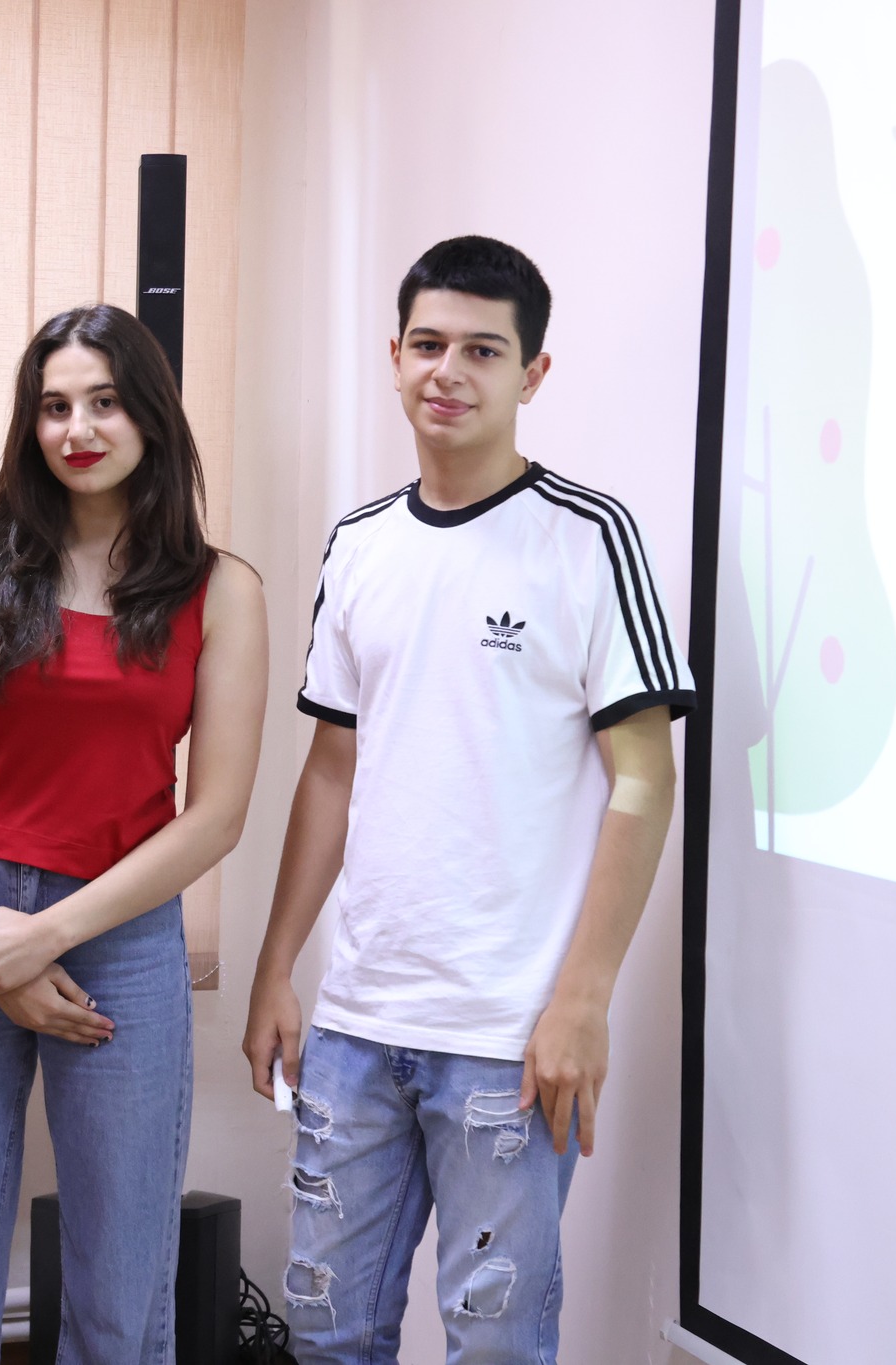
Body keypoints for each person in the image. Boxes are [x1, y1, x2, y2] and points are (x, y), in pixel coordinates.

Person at [242, 236, 695, 1362]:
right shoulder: (359, 544)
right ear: (394, 356)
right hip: (356, 1025)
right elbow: (332, 770)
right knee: (325, 1339)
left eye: (483, 351)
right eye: (428, 344)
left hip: (508, 1037)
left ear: (532, 374)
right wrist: (276, 965)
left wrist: (582, 1000)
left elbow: (645, 778)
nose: (448, 371)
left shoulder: (587, 538)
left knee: (493, 1350)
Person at [0, 303, 269, 1363]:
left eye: (103, 402)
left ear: (150, 417)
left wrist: (46, 937)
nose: (77, 429)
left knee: (122, 1256)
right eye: (53, 407)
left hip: (119, 926)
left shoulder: (222, 591)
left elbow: (217, 815)